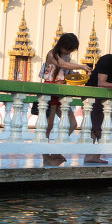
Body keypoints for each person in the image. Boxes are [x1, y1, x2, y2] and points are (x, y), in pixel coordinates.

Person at [39, 34, 91, 166]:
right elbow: (62, 64)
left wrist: (76, 74)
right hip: (50, 91)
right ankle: (46, 157)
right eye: (68, 49)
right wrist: (81, 66)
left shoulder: (67, 56)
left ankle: (55, 150)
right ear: (62, 45)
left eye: (71, 50)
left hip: (62, 93)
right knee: (48, 127)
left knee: (72, 123)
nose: (69, 52)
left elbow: (66, 71)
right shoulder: (52, 54)